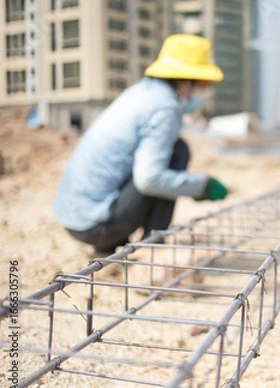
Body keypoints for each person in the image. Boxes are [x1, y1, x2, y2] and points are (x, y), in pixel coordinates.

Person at [53, 34, 229, 255]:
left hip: (74, 217)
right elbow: (149, 179)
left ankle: (109, 245)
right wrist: (200, 185)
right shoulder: (164, 108)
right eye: (203, 85)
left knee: (163, 153)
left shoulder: (142, 92)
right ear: (185, 81)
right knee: (178, 151)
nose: (204, 93)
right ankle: (152, 246)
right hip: (95, 225)